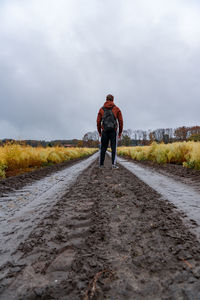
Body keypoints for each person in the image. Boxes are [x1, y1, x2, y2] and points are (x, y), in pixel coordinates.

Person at [97, 94, 123, 168]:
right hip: (113, 131)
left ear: (106, 99)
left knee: (103, 148)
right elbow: (121, 121)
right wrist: (120, 132)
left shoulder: (101, 109)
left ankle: (101, 165)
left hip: (104, 131)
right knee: (113, 147)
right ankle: (113, 165)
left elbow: (98, 122)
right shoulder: (117, 109)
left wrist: (99, 132)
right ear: (113, 100)